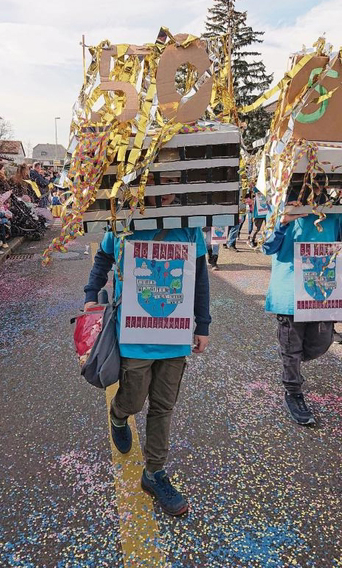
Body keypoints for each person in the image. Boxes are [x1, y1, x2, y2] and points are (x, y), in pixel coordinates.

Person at [84, 174, 211, 516]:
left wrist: (204, 324)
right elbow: (102, 260)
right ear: (145, 183)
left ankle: (154, 473)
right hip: (134, 336)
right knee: (134, 398)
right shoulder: (122, 222)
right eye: (161, 182)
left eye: (174, 182)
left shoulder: (189, 226)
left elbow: (199, 276)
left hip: (174, 336)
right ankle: (119, 415)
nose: (168, 190)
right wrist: (89, 298)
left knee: (163, 406)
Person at [263, 187, 342, 425]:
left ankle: (292, 359)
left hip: (322, 293)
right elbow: (267, 247)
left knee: (321, 342)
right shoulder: (279, 211)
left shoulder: (334, 213)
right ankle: (293, 390)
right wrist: (283, 222)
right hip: (288, 294)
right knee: (292, 348)